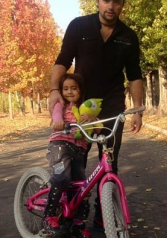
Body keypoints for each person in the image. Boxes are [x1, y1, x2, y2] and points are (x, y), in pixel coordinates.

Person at [48, 0, 143, 231]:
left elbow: (134, 75)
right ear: (98, 0)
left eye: (117, 1)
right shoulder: (79, 26)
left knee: (110, 159)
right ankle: (68, 212)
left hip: (112, 106)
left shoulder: (129, 37)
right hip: (80, 106)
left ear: (123, 4)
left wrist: (138, 109)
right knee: (76, 162)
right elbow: (62, 61)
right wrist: (54, 90)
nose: (111, 6)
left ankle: (105, 216)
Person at [43, 73, 94, 238]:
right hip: (59, 146)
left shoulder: (85, 108)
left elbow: (96, 126)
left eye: (74, 88)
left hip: (79, 150)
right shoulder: (61, 104)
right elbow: (56, 114)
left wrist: (92, 120)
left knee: (81, 188)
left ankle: (78, 224)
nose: (69, 91)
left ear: (81, 90)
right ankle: (49, 215)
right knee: (61, 177)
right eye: (65, 88)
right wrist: (57, 121)